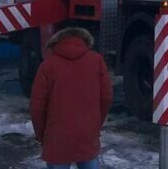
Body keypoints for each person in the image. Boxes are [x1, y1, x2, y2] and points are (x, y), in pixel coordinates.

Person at [30, 26, 113, 169]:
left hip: (57, 137)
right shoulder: (97, 60)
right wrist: (95, 125)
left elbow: (37, 106)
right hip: (87, 134)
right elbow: (106, 97)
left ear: (56, 43)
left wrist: (41, 135)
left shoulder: (48, 65)